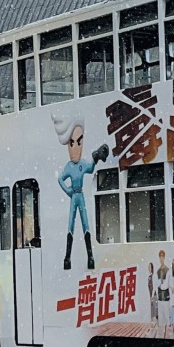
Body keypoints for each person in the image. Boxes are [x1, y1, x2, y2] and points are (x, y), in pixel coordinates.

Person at [52, 114, 109, 270]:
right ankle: (67, 258)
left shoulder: (82, 164)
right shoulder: (69, 166)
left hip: (80, 195)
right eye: (71, 143)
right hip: (75, 195)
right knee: (70, 224)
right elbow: (60, 179)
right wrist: (69, 191)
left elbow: (90, 168)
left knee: (85, 223)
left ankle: (90, 257)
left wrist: (96, 158)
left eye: (79, 142)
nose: (75, 148)